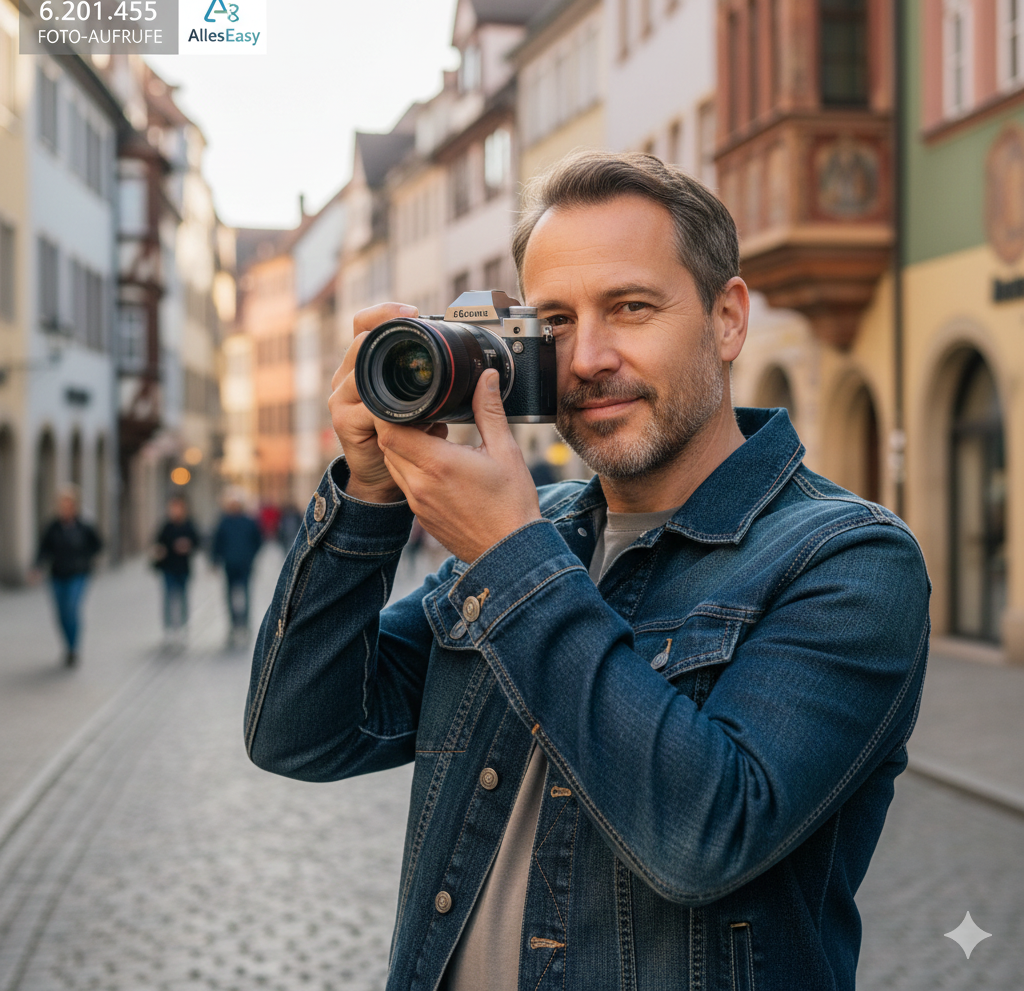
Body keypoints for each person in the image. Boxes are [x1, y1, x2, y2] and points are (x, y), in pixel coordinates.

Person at [244, 152, 931, 991]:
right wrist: (368, 492)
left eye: (631, 307)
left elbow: (704, 838)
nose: (588, 358)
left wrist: (510, 558)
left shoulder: (849, 559)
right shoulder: (543, 533)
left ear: (727, 319)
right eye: (557, 321)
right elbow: (300, 733)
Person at [33, 484, 103, 667]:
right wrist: (37, 566)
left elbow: (98, 545)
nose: (65, 508)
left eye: (68, 504)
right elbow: (43, 548)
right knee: (61, 614)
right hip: (57, 574)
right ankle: (67, 645)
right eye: (62, 504)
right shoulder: (53, 527)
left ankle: (73, 649)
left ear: (75, 506)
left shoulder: (84, 526)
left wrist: (86, 559)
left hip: (78, 574)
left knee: (71, 609)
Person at [211, 490, 262, 636]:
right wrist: (215, 560)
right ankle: (233, 624)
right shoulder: (224, 522)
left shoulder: (249, 522)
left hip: (245, 564)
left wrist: (251, 556)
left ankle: (245, 623)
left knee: (245, 594)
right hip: (229, 564)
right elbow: (217, 543)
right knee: (229, 595)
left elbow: (257, 540)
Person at [152, 494, 201, 641]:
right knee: (168, 598)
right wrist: (160, 551)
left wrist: (187, 545)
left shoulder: (189, 525)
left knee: (183, 597)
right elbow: (157, 543)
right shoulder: (166, 526)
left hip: (183, 567)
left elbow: (197, 542)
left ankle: (184, 626)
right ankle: (169, 628)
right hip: (168, 567)